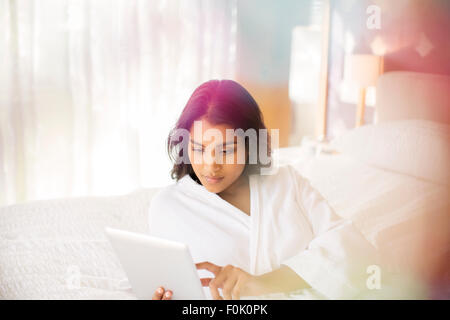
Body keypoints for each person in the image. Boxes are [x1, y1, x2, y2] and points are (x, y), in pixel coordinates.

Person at [148, 79, 377, 300]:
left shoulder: (288, 182)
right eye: (198, 149)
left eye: (226, 151)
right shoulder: (167, 208)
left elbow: (353, 250)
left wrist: (267, 283)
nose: (210, 165)